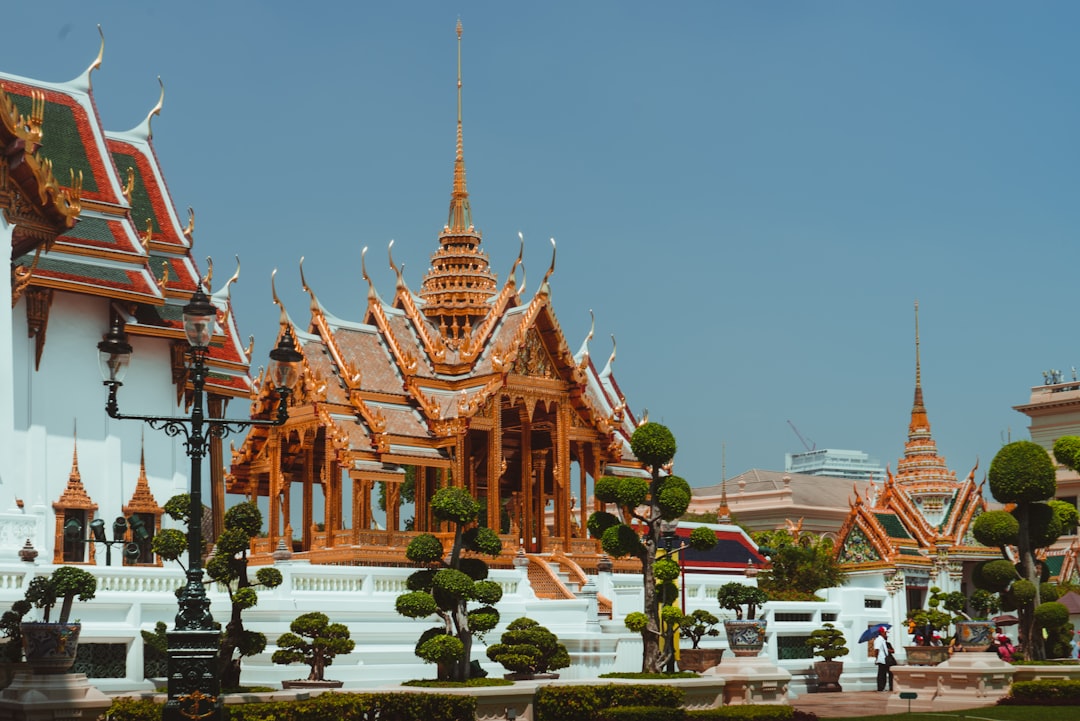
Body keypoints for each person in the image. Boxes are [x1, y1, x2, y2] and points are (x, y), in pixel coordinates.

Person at [874, 627, 893, 692]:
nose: (886, 634)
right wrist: (876, 658)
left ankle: (882, 687)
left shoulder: (882, 640)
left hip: (884, 659)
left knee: (884, 674)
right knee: (881, 675)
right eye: (885, 632)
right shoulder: (879, 640)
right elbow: (876, 649)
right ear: (882, 632)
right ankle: (880, 688)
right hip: (881, 659)